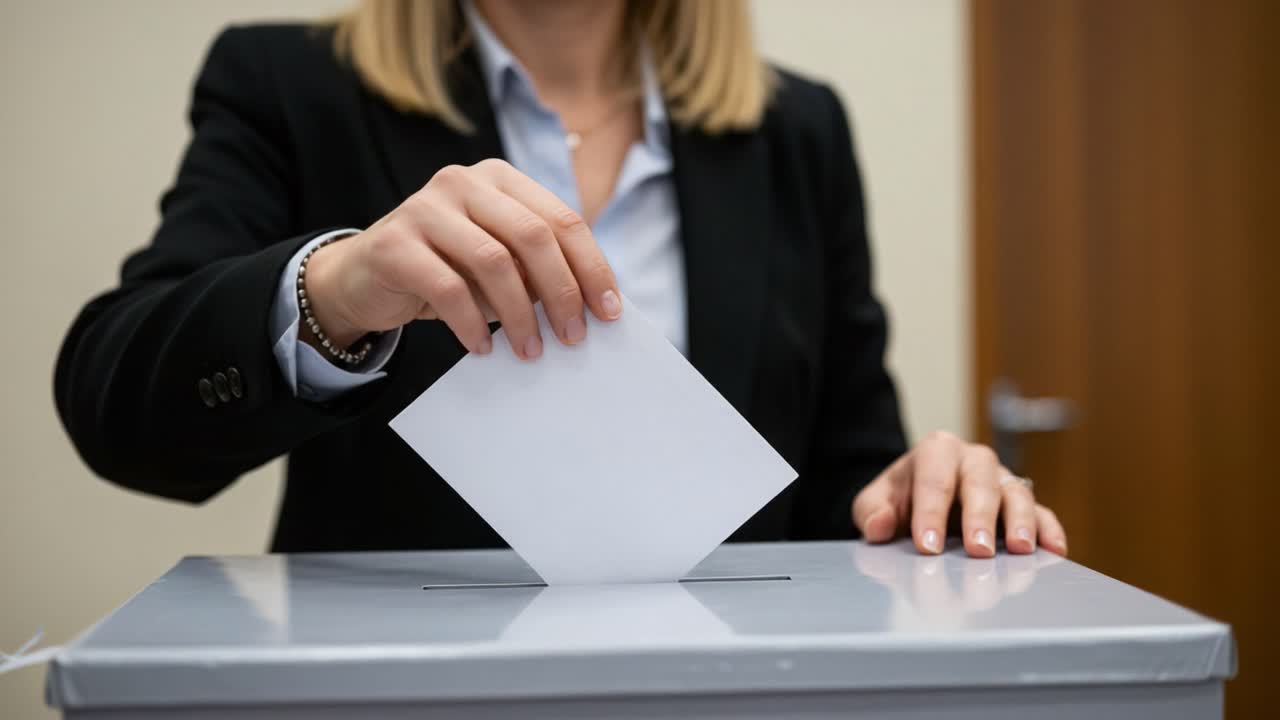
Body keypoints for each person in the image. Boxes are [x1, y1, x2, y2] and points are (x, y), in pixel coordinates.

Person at [54, 0, 1066, 559]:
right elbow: (118, 414)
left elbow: (843, 471)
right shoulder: (289, 84)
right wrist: (335, 289)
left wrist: (915, 493)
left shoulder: (796, 131)